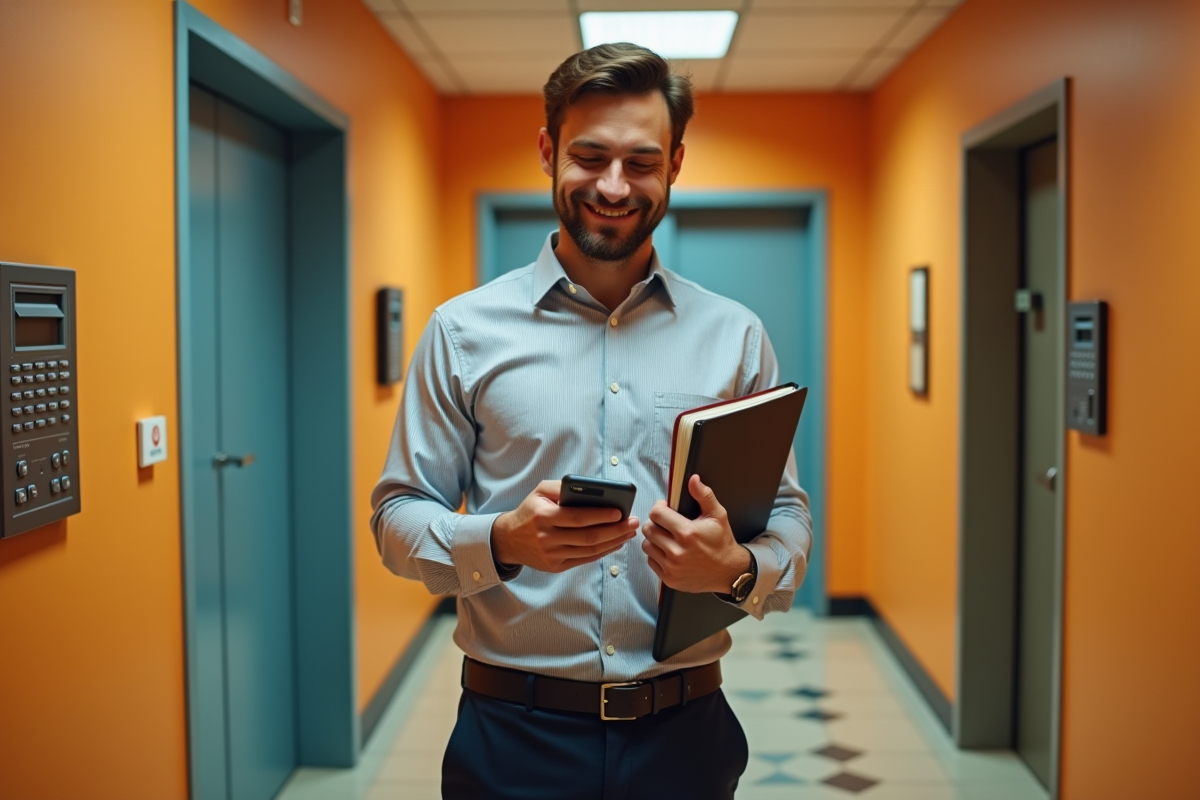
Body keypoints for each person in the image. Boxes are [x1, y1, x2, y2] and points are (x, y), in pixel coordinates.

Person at [370, 42, 811, 800]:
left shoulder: (735, 335)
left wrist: (734, 570)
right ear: (548, 152)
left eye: (641, 161)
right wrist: (502, 540)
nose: (613, 185)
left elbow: (788, 517)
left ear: (675, 164)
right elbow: (397, 519)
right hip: (513, 736)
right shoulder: (461, 331)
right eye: (590, 155)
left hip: (686, 735)